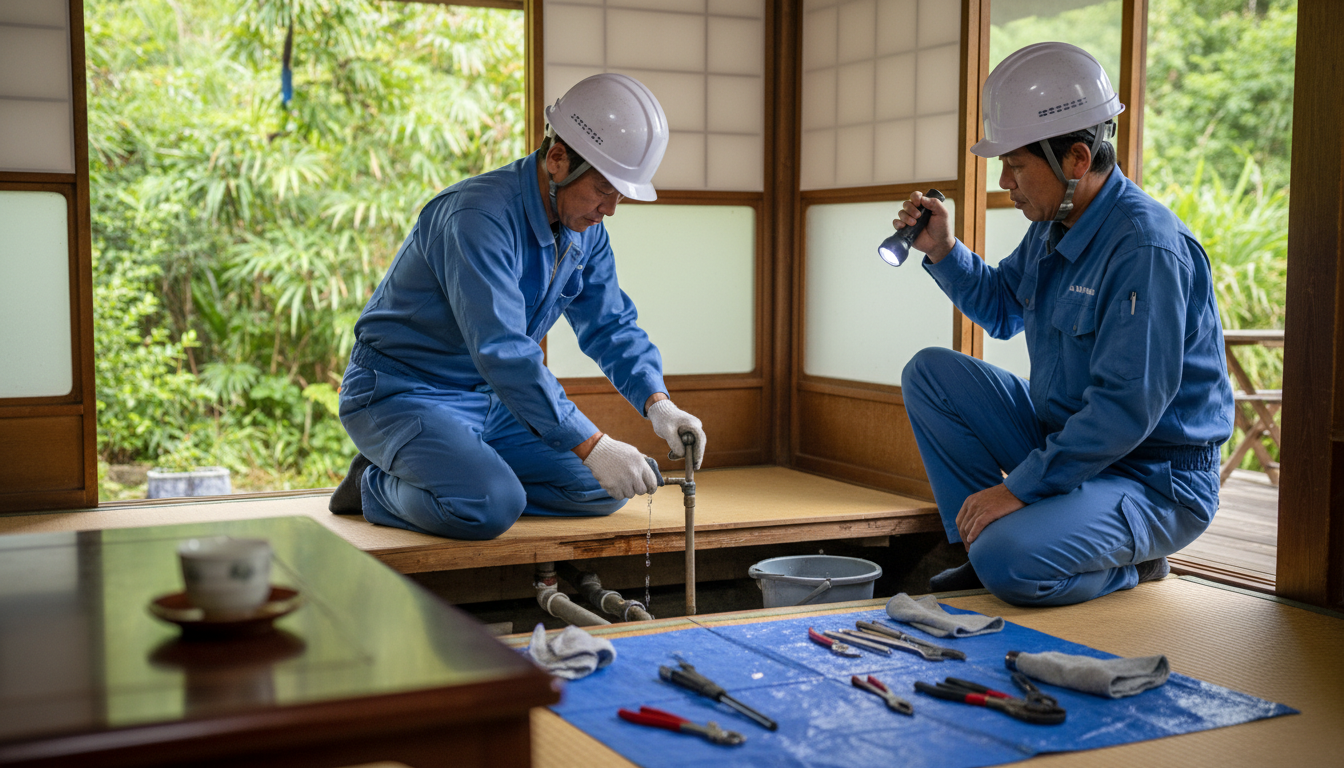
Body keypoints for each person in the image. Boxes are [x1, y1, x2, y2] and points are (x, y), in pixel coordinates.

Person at [894, 42, 1233, 606]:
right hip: (1072, 445)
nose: (1006, 182)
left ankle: (1134, 564)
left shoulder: (1146, 249)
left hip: (1153, 480)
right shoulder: (1058, 223)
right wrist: (943, 249)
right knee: (931, 373)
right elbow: (1003, 307)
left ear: (1076, 159)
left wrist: (1016, 489)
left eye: (1016, 164)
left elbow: (1125, 410)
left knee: (1012, 562)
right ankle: (977, 549)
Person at [328, 73, 707, 540]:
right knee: (490, 507)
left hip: (490, 397)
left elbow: (610, 325)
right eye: (604, 190)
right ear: (557, 158)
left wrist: (659, 403)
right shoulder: (478, 217)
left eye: (621, 195)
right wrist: (593, 444)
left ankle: (454, 470)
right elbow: (502, 349)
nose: (610, 209)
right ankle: (376, 484)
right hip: (403, 392)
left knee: (608, 488)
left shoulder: (583, 230)